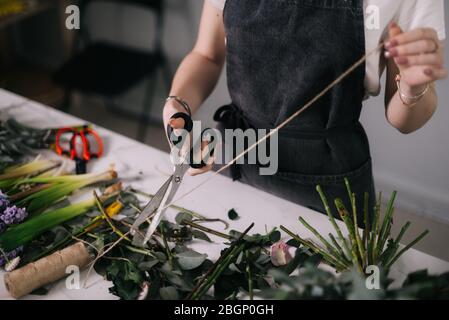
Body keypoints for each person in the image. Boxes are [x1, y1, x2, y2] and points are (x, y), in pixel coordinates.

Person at [163, 0, 447, 222]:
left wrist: (412, 86)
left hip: (331, 184)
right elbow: (207, 56)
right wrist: (175, 107)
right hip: (236, 159)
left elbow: (405, 121)